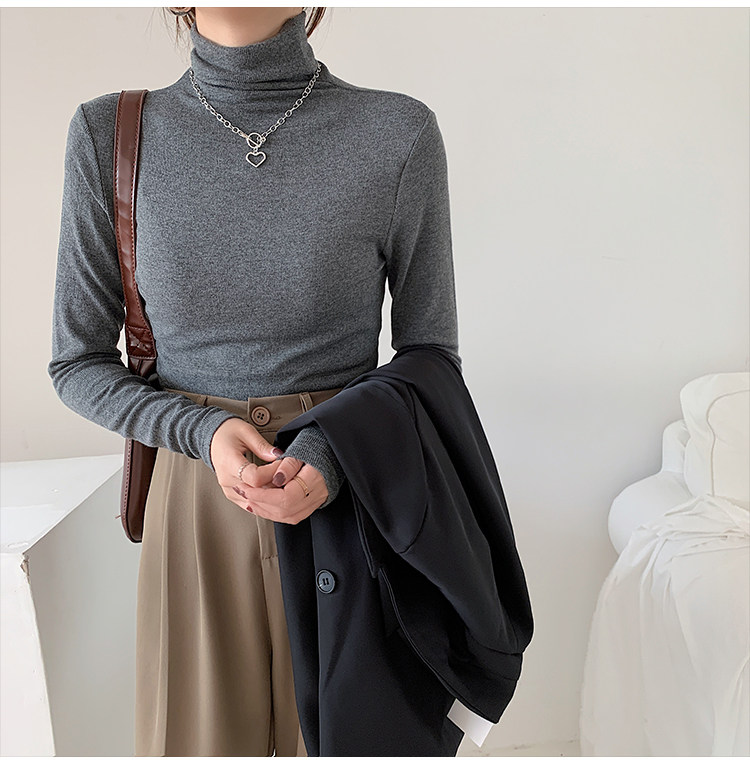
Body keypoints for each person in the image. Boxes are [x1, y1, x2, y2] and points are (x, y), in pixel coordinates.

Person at [48, 5, 462, 757]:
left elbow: (430, 353)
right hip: (193, 508)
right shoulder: (109, 134)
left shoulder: (396, 133)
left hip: (348, 500)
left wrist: (332, 455)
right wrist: (201, 431)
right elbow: (76, 363)